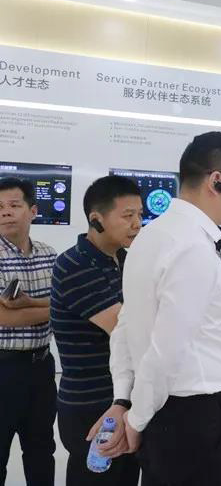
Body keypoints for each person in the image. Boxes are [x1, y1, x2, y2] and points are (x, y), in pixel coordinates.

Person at [102, 131, 221, 486]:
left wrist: (126, 400)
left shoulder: (150, 237)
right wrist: (136, 418)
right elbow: (167, 349)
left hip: (161, 409)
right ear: (217, 181)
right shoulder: (193, 248)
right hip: (191, 416)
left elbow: (125, 327)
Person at [51, 175, 143, 486]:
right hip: (91, 403)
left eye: (139, 214)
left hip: (125, 397)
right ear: (96, 219)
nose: (137, 224)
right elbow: (125, 329)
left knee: (126, 477)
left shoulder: (128, 260)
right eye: (127, 215)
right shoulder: (74, 264)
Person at [0, 178, 58, 486]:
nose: (5, 212)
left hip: (41, 367)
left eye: (14, 205)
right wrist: (54, 309)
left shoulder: (50, 254)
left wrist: (26, 309)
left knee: (41, 451)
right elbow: (3, 319)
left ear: (33, 211)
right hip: (3, 368)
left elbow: (63, 301)